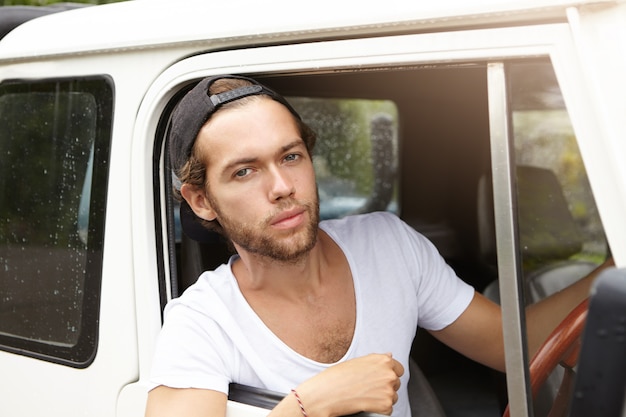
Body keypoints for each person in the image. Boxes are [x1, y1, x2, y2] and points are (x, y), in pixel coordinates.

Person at [145, 75, 612, 417]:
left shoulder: (387, 245)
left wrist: (613, 269)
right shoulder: (201, 323)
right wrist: (311, 406)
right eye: (244, 171)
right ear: (201, 200)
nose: (283, 186)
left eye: (291, 156)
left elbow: (513, 345)